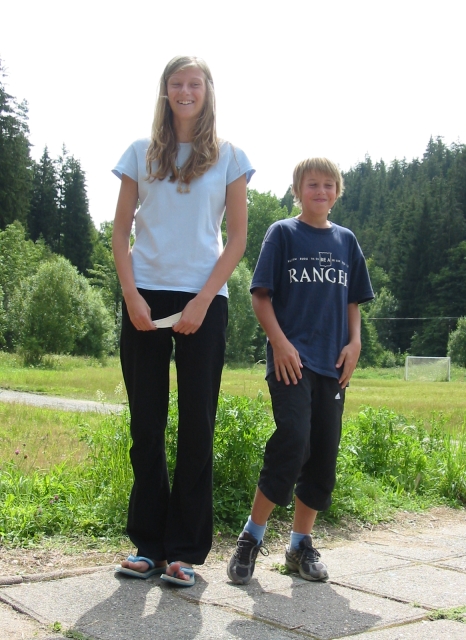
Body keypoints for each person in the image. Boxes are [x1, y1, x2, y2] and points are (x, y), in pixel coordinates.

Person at [112, 55, 254, 586]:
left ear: (207, 90)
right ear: (165, 91)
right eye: (177, 83)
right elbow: (120, 232)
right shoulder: (140, 153)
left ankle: (185, 553)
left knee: (197, 426)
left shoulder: (231, 157)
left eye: (194, 83)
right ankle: (148, 546)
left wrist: (202, 301)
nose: (185, 91)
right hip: (144, 298)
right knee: (146, 425)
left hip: (204, 300)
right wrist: (132, 296)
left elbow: (237, 238)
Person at [227, 157, 373, 585]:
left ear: (337, 192)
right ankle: (251, 537)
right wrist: (280, 343)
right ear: (297, 190)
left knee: (324, 451)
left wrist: (355, 343)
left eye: (329, 185)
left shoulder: (346, 241)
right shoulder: (283, 233)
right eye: (312, 184)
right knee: (294, 440)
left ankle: (299, 546)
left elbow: (353, 302)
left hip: (333, 363)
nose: (321, 191)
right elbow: (260, 296)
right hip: (291, 360)